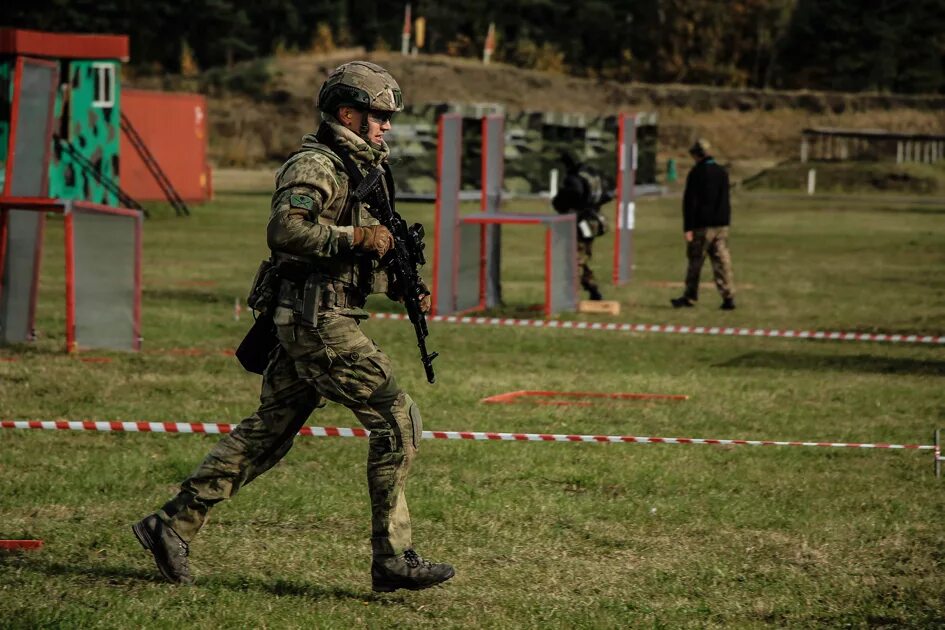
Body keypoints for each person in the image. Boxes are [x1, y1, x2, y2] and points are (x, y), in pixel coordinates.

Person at [131, 61, 455, 593]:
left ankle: (170, 526)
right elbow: (286, 230)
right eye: (378, 116)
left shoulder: (363, 170)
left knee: (267, 435)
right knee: (398, 423)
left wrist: (399, 281)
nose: (387, 126)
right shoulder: (318, 164)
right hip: (319, 322)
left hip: (316, 317)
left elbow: (362, 247)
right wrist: (357, 238)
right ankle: (392, 558)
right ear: (347, 114)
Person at [670, 139, 736, 310]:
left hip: (702, 226)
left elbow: (690, 202)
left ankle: (690, 296)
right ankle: (728, 297)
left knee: (695, 262)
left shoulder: (697, 173)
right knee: (722, 262)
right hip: (721, 225)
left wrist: (688, 228)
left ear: (696, 155)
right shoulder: (722, 172)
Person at [552, 152, 614, 301]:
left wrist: (559, 202)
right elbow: (608, 195)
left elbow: (572, 194)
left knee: (572, 258)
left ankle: (575, 293)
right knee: (580, 258)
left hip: (580, 224)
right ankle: (589, 287)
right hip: (593, 222)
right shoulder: (592, 175)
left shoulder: (574, 179)